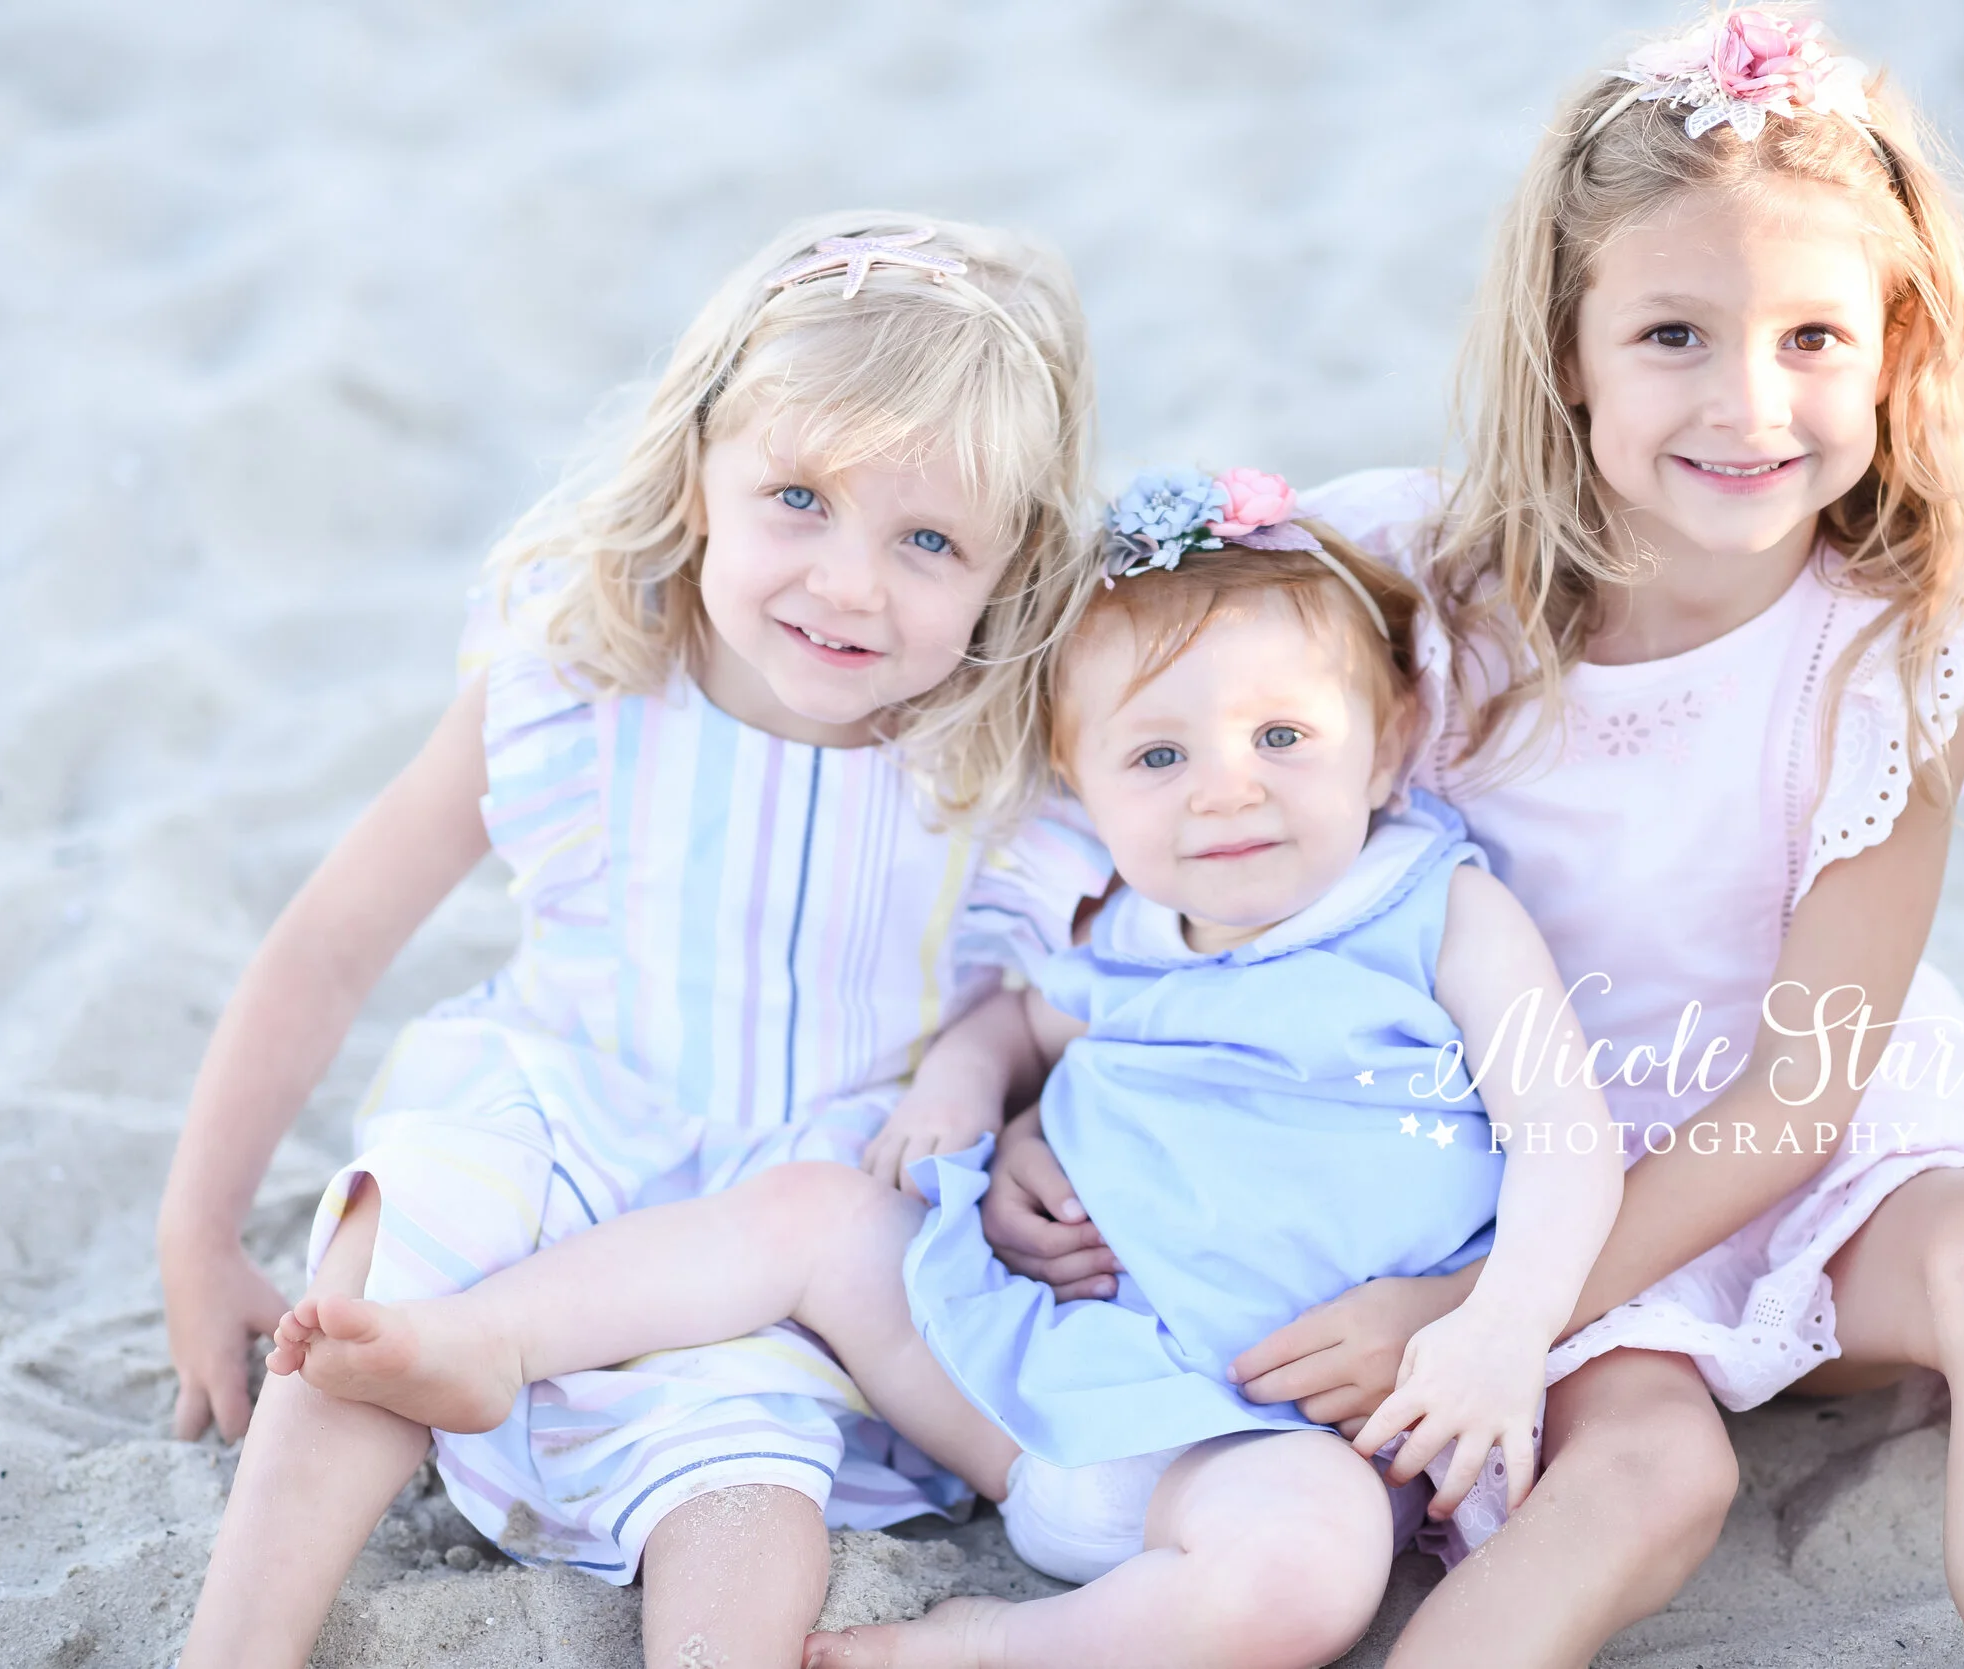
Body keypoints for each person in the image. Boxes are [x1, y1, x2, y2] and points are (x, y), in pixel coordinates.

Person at [984, 14, 1964, 1667]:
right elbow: (1110, 792)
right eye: (1671, 334)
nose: (1747, 402)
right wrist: (1027, 1081)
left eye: (1811, 336)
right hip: (1483, 1160)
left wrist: (1484, 1324)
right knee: (1648, 1467)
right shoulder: (1414, 573)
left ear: (1892, 347)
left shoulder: (1895, 655)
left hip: (1773, 1158)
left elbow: (1804, 1092)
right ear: (1566, 349)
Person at [265, 470, 1623, 1669]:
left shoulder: (1433, 908)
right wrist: (962, 1091)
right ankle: (492, 1339)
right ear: (1077, 785)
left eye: (1284, 738)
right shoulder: (1122, 922)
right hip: (1025, 1372)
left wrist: (1498, 1332)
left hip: (1258, 1448)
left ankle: (993, 1644)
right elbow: (1018, 1023)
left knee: (1311, 1577)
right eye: (1158, 755)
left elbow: (1564, 1126)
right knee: (809, 1213)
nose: (1226, 789)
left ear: (1385, 742)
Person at [158, 211, 1101, 1669]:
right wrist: (199, 1230)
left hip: (803, 1200)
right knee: (392, 1256)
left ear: (1010, 568)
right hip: (557, 1110)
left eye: (927, 539)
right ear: (700, 471)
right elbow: (331, 942)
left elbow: (1089, 1008)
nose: (849, 583)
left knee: (743, 1462)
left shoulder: (1009, 771)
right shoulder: (584, 685)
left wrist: (1022, 1121)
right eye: (799, 498)